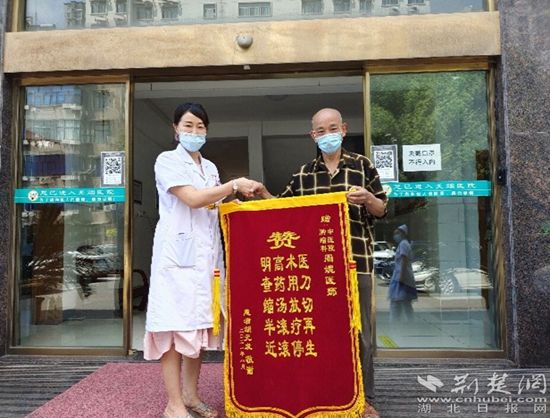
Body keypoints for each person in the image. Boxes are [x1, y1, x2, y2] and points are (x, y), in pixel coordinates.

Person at [255, 108, 388, 413]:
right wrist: (262, 193)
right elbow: (281, 210)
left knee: (361, 335)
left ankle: (364, 398)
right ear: (312, 135)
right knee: (322, 333)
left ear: (344, 129)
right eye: (321, 130)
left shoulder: (363, 165)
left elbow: (382, 209)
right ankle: (327, 393)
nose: (328, 135)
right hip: (317, 269)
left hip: (356, 263)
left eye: (333, 128)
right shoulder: (304, 174)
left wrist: (368, 198)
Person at [144, 102, 262, 418]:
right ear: (175, 129)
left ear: (206, 131)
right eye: (188, 125)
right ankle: (174, 405)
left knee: (197, 329)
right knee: (173, 330)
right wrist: (234, 184)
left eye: (200, 126)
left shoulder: (209, 168)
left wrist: (249, 205)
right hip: (176, 259)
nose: (194, 132)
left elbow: (215, 206)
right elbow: (194, 199)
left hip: (206, 261)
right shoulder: (166, 160)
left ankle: (191, 396)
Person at [388, 224, 417, 321]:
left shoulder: (404, 244)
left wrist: (401, 277)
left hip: (402, 278)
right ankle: (405, 322)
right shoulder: (403, 244)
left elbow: (404, 260)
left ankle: (397, 322)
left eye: (397, 233)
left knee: (400, 301)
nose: (395, 236)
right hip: (400, 277)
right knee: (404, 303)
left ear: (402, 234)